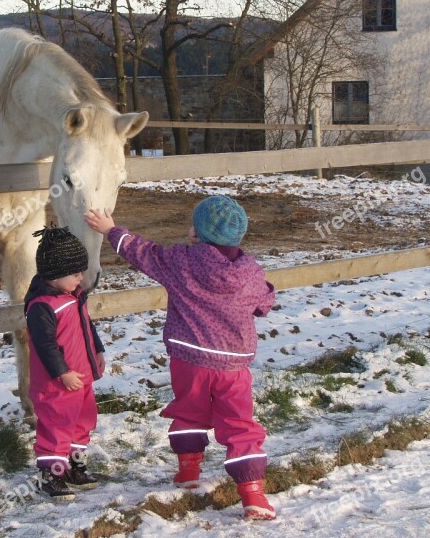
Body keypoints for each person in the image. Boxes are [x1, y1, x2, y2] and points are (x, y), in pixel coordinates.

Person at [83, 195, 277, 521]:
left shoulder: (181, 261)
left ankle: (188, 473)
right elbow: (264, 303)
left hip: (190, 358)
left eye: (194, 223)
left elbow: (142, 253)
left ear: (196, 233)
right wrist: (265, 288)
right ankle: (253, 494)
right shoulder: (250, 272)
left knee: (189, 411)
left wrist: (111, 230)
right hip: (233, 363)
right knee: (240, 425)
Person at [24, 224, 106, 502]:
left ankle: (73, 465)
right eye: (75, 273)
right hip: (58, 382)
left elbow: (87, 327)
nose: (81, 278)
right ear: (55, 275)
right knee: (57, 425)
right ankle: (51, 474)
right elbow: (45, 346)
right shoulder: (42, 306)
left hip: (82, 376)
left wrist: (98, 351)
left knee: (82, 421)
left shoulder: (75, 295)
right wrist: (62, 372)